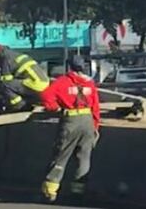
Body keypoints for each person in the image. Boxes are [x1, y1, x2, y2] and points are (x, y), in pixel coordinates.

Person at [39, 55, 100, 203]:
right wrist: (95, 127)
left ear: (69, 66)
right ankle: (78, 192)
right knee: (83, 158)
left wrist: (54, 107)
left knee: (61, 155)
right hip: (87, 121)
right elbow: (96, 107)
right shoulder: (89, 83)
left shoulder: (62, 81)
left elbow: (45, 95)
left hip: (71, 121)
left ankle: (50, 191)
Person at [0, 44, 49, 112]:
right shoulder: (14, 55)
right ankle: (26, 102)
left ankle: (19, 105)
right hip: (43, 84)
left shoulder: (6, 58)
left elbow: (5, 81)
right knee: (14, 85)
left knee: (4, 83)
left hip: (34, 83)